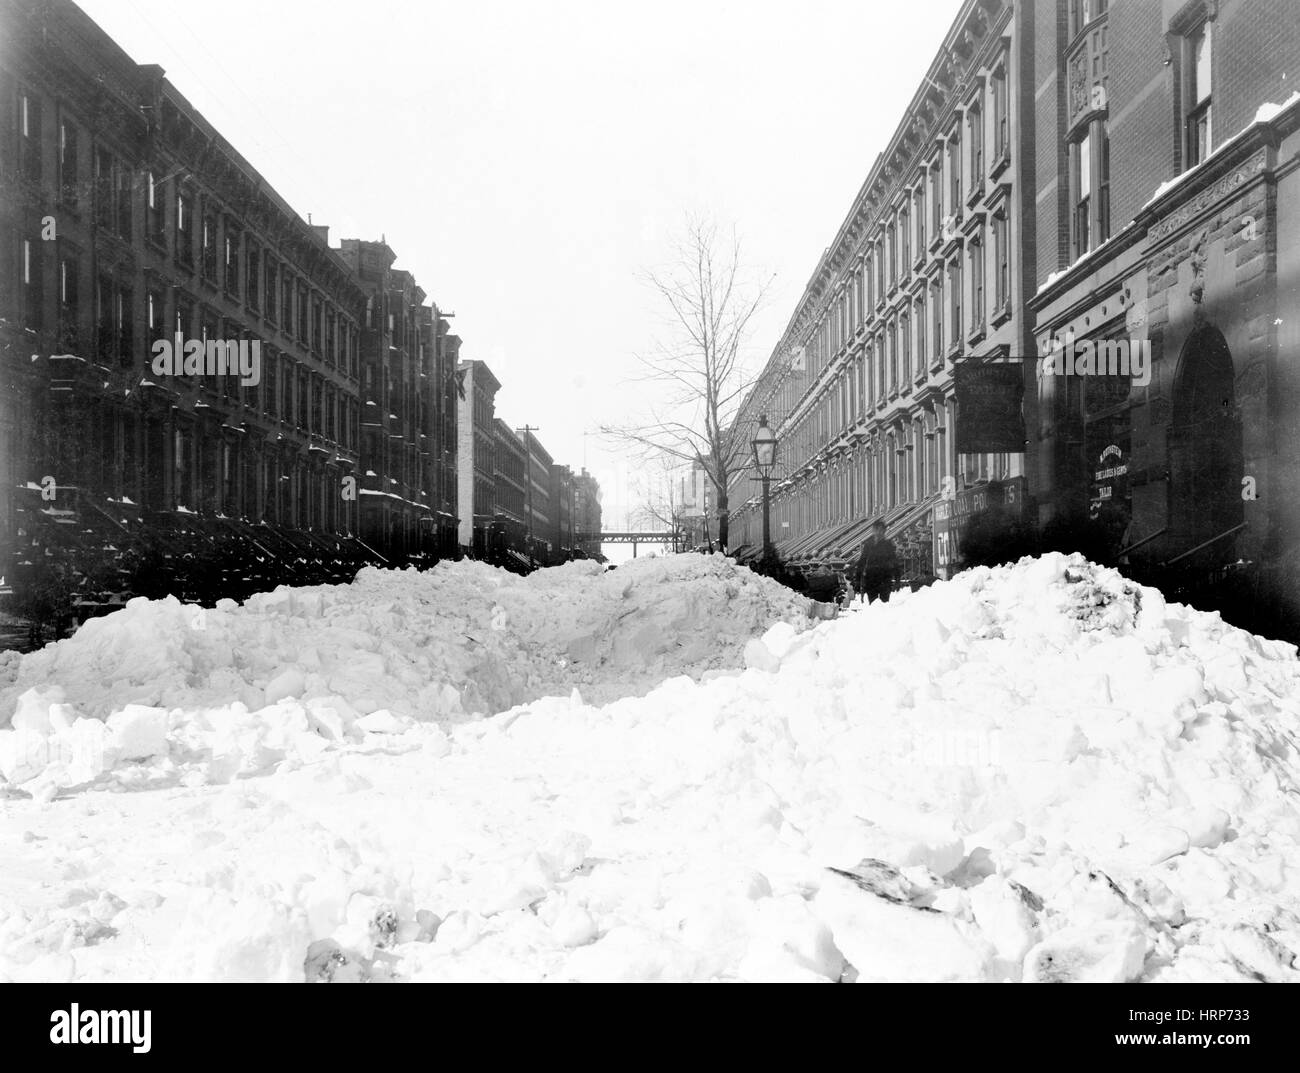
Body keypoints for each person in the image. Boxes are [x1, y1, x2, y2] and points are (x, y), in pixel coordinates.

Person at [853, 521, 897, 604]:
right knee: (873, 604)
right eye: (877, 530)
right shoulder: (868, 545)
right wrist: (858, 580)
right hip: (871, 579)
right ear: (874, 531)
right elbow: (862, 562)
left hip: (885, 577)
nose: (879, 532)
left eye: (881, 530)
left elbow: (894, 561)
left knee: (884, 603)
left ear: (884, 531)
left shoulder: (888, 545)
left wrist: (897, 578)